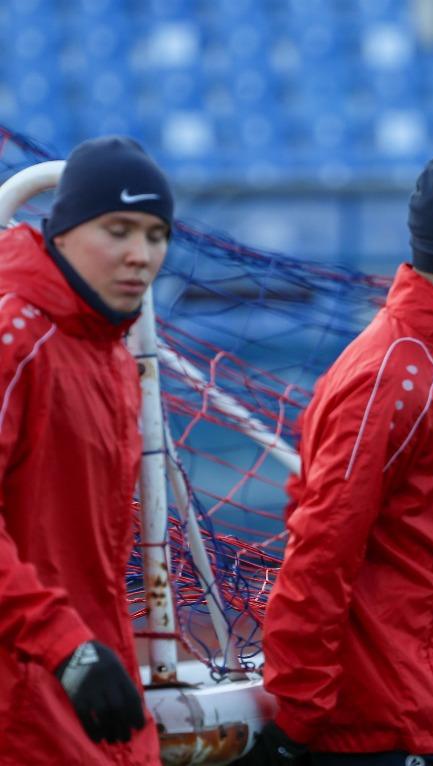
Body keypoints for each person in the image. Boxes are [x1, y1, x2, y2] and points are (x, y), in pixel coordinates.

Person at [244, 147, 433, 766]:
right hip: (392, 728)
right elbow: (321, 549)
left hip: (425, 717)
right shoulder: (401, 374)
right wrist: (296, 719)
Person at [0, 135, 170, 766]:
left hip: (85, 697)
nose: (140, 255)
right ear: (63, 231)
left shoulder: (109, 354)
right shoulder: (15, 336)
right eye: (117, 230)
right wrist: (64, 645)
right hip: (25, 705)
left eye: (156, 235)